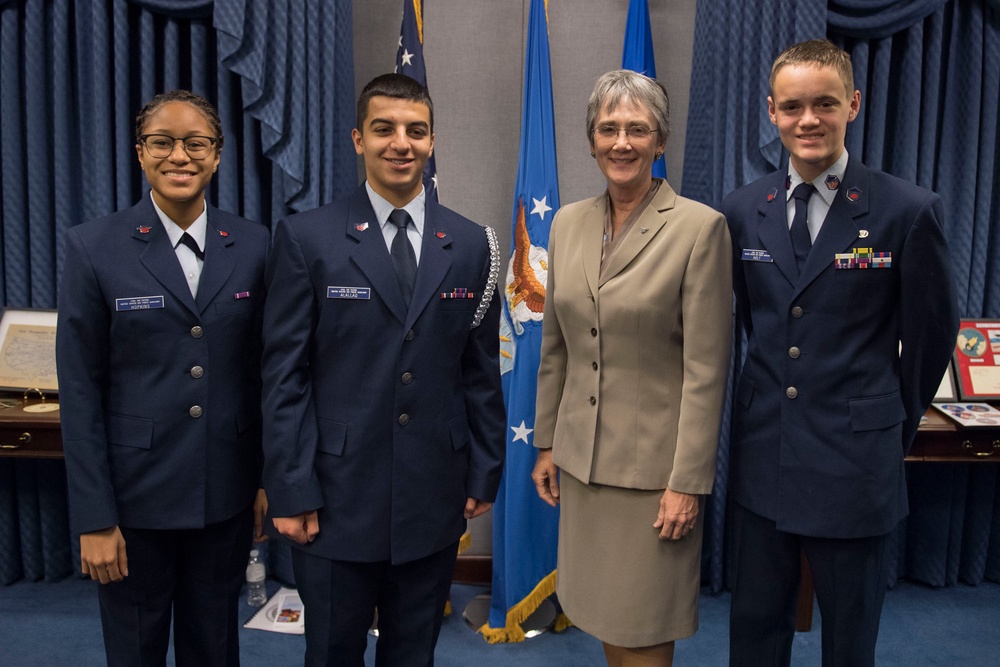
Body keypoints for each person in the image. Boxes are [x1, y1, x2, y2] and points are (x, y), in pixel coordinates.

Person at [723, 39, 959, 667]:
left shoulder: (907, 210)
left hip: (855, 462)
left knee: (850, 640)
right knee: (754, 629)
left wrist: (887, 421)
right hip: (764, 455)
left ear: (852, 105)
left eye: (825, 104)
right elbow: (750, 323)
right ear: (771, 112)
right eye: (793, 106)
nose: (809, 120)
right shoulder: (744, 211)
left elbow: (932, 335)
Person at [261, 73, 505, 667]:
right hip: (336, 495)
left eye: (416, 131)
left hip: (432, 490)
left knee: (413, 654)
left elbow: (479, 371)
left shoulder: (474, 244)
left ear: (431, 140)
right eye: (384, 129)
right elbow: (283, 375)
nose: (401, 143)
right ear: (357, 139)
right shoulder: (307, 237)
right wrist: (290, 489)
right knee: (333, 652)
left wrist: (484, 469)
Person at [56, 90, 270, 665]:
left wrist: (263, 480)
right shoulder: (93, 246)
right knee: (136, 650)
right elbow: (79, 392)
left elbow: (264, 376)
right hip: (133, 502)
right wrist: (96, 519)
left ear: (218, 155)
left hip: (223, 496)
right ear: (141, 153)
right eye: (163, 142)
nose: (181, 155)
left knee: (215, 648)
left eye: (196, 143)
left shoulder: (254, 245)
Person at [531, 70, 733, 667]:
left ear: (660, 141)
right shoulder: (567, 222)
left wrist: (687, 483)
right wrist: (547, 442)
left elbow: (706, 369)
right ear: (591, 140)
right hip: (584, 466)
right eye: (608, 128)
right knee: (602, 620)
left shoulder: (700, 228)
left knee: (642, 628)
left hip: (653, 477)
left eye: (637, 130)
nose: (622, 142)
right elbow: (556, 343)